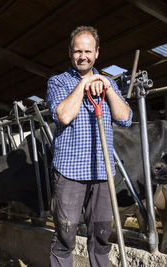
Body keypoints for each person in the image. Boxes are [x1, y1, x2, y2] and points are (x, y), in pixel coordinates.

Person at [45, 26, 132, 267]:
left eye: (88, 51)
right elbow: (63, 115)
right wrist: (84, 85)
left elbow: (125, 118)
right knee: (65, 233)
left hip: (102, 172)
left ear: (97, 53)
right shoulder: (58, 82)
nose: (83, 56)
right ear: (70, 53)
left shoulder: (108, 82)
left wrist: (106, 87)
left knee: (102, 234)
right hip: (70, 171)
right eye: (77, 51)